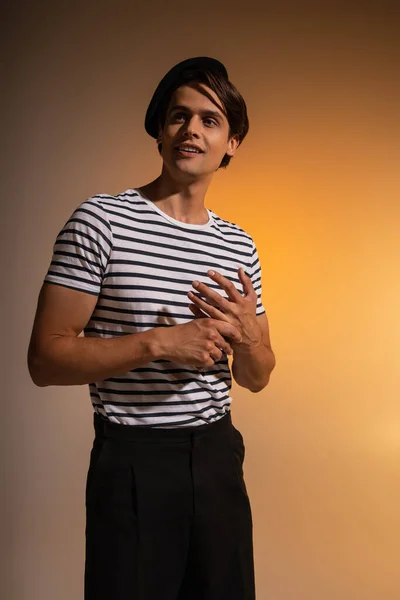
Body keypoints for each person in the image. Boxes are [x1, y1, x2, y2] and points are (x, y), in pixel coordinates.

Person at [28, 56, 276, 600]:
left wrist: (249, 337)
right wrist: (161, 344)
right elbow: (45, 360)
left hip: (216, 456)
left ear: (231, 142)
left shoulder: (239, 245)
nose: (192, 130)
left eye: (210, 120)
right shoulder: (101, 221)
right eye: (178, 116)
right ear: (160, 131)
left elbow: (257, 376)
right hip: (133, 460)